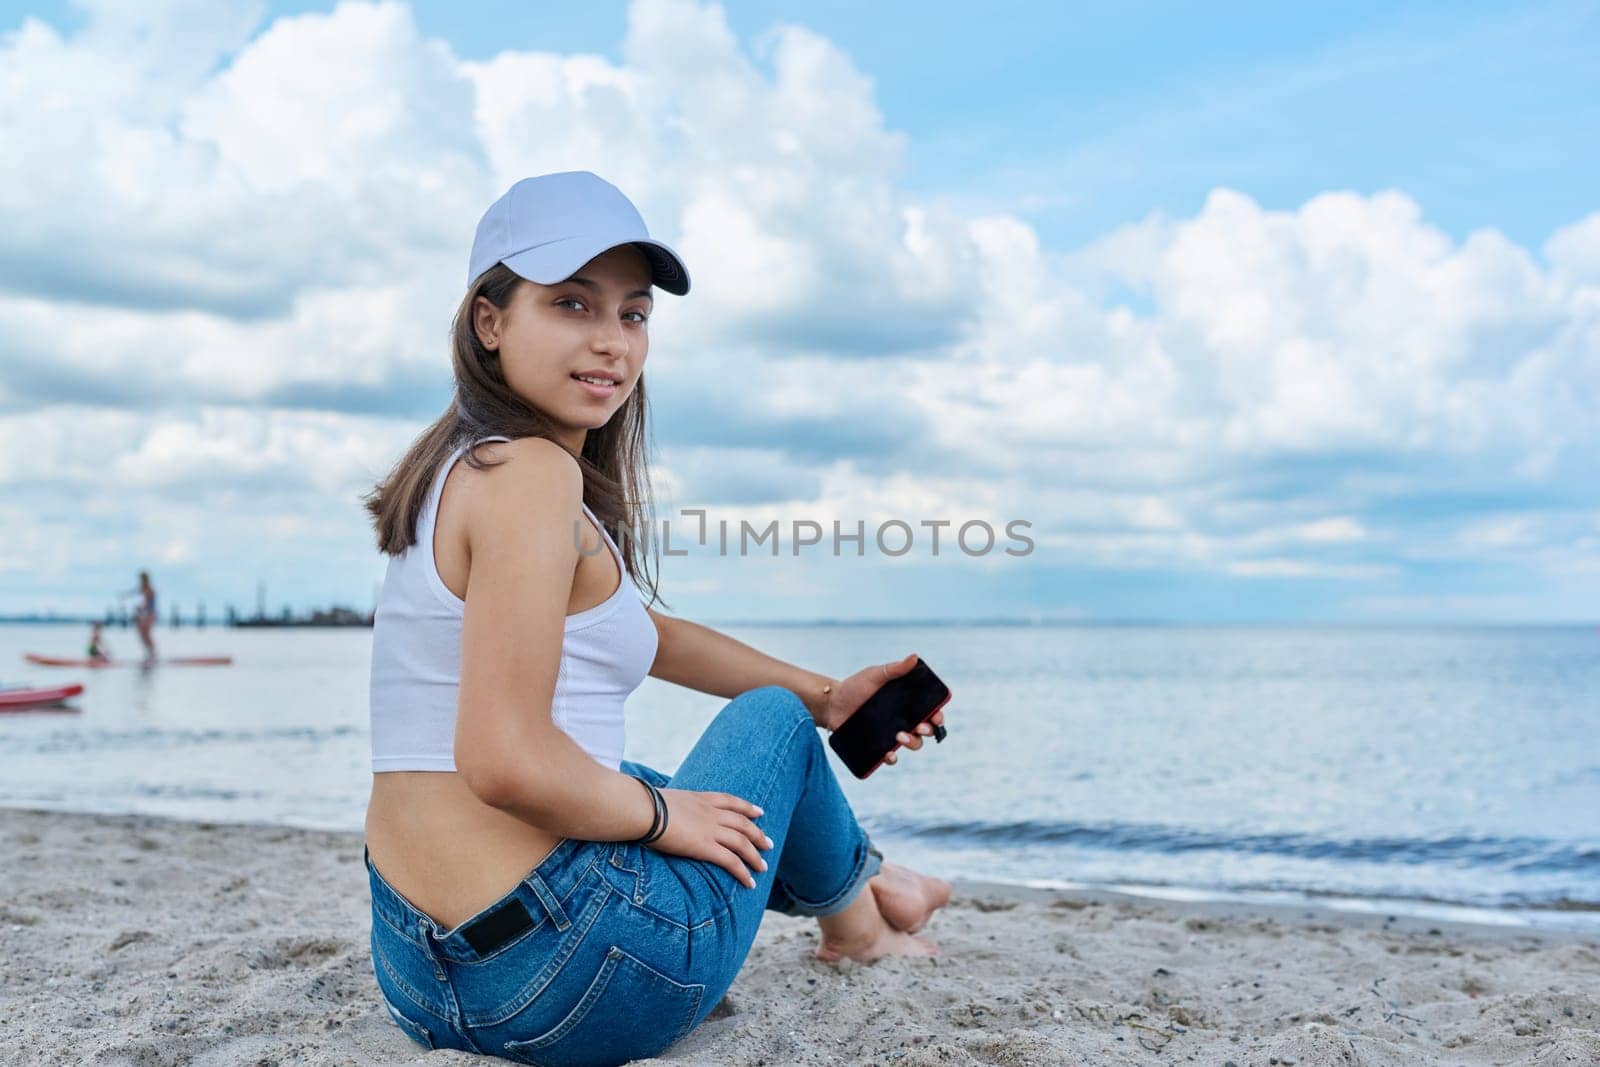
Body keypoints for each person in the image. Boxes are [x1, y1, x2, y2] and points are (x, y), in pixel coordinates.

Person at [360, 172, 951, 1065]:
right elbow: (504, 759)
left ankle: (875, 883)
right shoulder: (532, 476)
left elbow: (644, 633)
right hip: (572, 977)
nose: (610, 343)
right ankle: (861, 929)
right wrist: (662, 815)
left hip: (419, 976)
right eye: (571, 304)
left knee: (651, 758)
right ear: (490, 320)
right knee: (771, 729)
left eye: (632, 315)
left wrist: (833, 695)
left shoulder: (462, 470)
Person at [125, 571, 157, 663]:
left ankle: (152, 654)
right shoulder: (144, 588)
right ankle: (150, 653)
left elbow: (148, 604)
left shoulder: (150, 589)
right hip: (146, 614)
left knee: (146, 634)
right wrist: (125, 595)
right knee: (142, 633)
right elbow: (135, 591)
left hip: (149, 614)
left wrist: (140, 609)